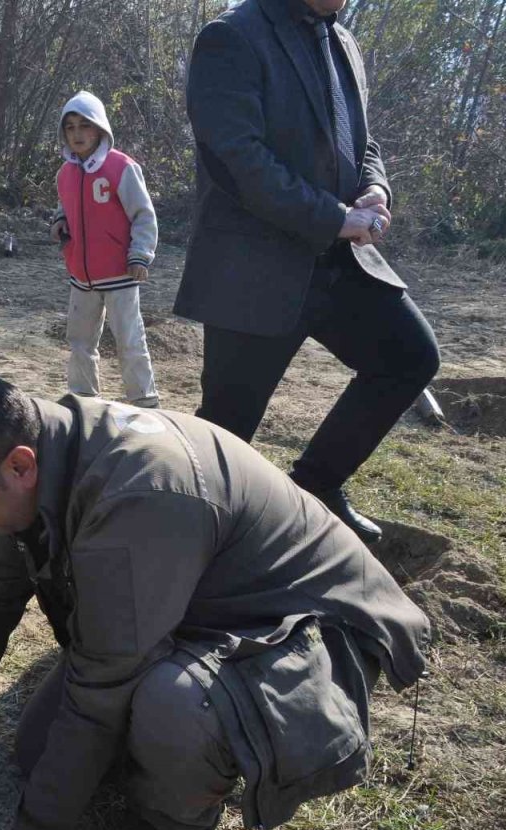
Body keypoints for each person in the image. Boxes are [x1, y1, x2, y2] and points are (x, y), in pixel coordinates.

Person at [0, 367, 429, 830]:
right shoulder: (31, 460)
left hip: (310, 629)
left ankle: (170, 827)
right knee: (37, 753)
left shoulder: (135, 496)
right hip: (197, 609)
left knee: (173, 708)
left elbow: (102, 687)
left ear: (20, 466)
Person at [174, 0, 441, 542]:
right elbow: (236, 158)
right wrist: (335, 217)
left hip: (342, 262)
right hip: (254, 272)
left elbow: (362, 140)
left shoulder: (341, 40)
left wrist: (376, 187)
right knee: (226, 431)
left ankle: (315, 486)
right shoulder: (231, 37)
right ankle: (190, 544)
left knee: (409, 357)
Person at [50, 90, 159, 408]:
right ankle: (84, 399)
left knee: (129, 340)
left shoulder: (121, 167)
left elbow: (143, 214)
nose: (77, 134)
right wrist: (59, 221)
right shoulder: (65, 173)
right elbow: (65, 205)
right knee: (80, 340)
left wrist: (140, 254)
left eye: (84, 125)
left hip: (121, 274)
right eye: (70, 127)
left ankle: (144, 400)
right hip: (81, 276)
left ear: (100, 128)